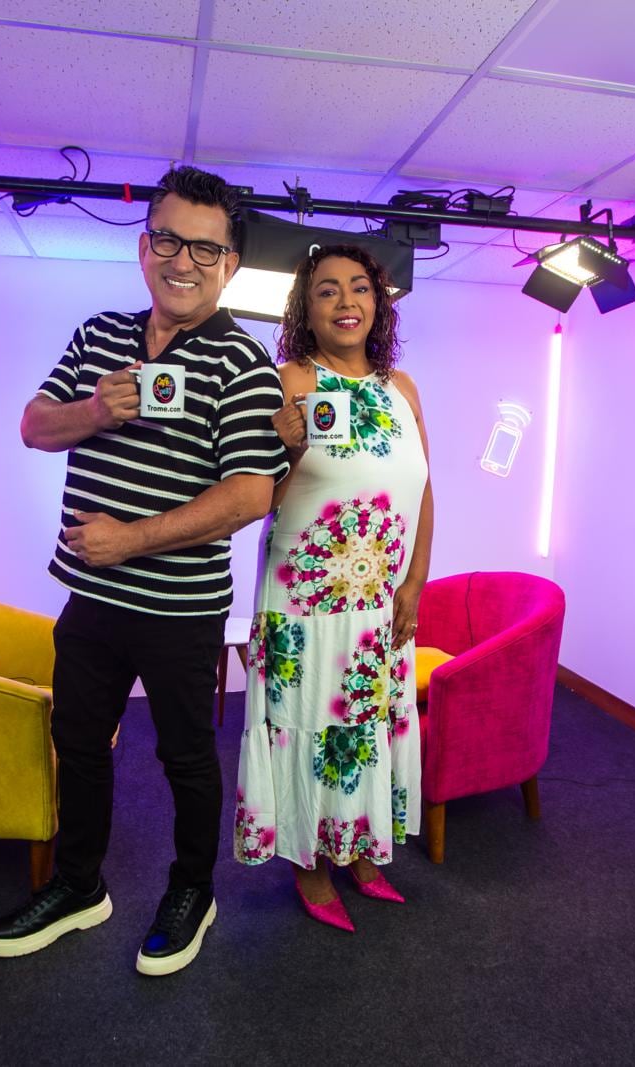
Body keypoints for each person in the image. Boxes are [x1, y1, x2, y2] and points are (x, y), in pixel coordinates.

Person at [0, 166, 288, 975]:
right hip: (92, 600)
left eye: (202, 246)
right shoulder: (96, 335)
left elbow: (251, 492)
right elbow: (32, 427)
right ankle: (80, 886)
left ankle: (194, 888)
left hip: (182, 609)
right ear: (142, 244)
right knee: (77, 741)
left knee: (185, 757)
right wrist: (94, 411)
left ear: (228, 264)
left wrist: (133, 538)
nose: (179, 259)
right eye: (165, 238)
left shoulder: (243, 363)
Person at [232, 245, 433, 930]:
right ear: (306, 310)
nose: (346, 301)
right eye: (326, 291)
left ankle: (361, 853)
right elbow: (259, 499)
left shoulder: (402, 388)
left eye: (359, 288)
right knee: (308, 729)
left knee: (366, 729)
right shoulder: (289, 379)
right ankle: (310, 865)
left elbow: (423, 490)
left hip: (380, 603)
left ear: (378, 302)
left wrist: (415, 582)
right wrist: (283, 447)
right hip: (304, 604)